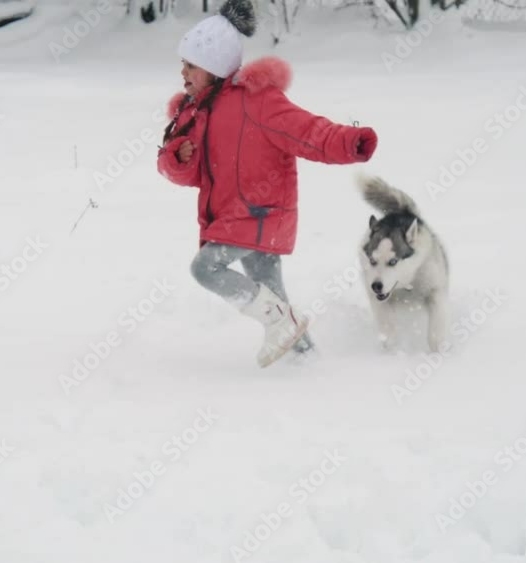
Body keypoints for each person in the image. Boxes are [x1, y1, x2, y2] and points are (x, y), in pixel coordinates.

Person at [156, 0, 378, 367]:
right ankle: (307, 362)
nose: (183, 72)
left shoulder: (256, 100)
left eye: (191, 65)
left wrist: (349, 142)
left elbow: (306, 130)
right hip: (235, 216)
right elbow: (188, 174)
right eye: (183, 64)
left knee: (206, 269)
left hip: (258, 213)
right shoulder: (197, 111)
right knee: (274, 296)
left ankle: (278, 322)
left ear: (214, 66)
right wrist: (177, 156)